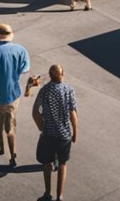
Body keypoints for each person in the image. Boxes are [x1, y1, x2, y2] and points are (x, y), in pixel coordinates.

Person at [0, 24, 32, 169]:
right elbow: (25, 69)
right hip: (11, 96)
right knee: (10, 129)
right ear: (11, 35)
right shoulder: (20, 50)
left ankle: (1, 148)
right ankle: (12, 155)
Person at [32, 64, 79, 201]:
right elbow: (73, 113)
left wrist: (42, 126)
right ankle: (60, 196)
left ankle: (47, 193)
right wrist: (75, 132)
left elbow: (35, 112)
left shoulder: (44, 91)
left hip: (48, 134)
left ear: (50, 75)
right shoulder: (68, 90)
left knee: (47, 164)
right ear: (62, 74)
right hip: (64, 135)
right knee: (62, 164)